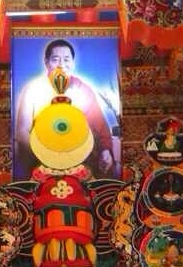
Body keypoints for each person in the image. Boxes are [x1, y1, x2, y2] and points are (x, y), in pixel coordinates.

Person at [14, 39, 115, 180]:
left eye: (66, 59)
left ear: (72, 63)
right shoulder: (33, 89)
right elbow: (22, 131)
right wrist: (44, 156)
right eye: (55, 59)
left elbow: (99, 125)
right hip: (41, 157)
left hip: (78, 157)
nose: (61, 65)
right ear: (46, 62)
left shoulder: (82, 89)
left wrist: (105, 150)